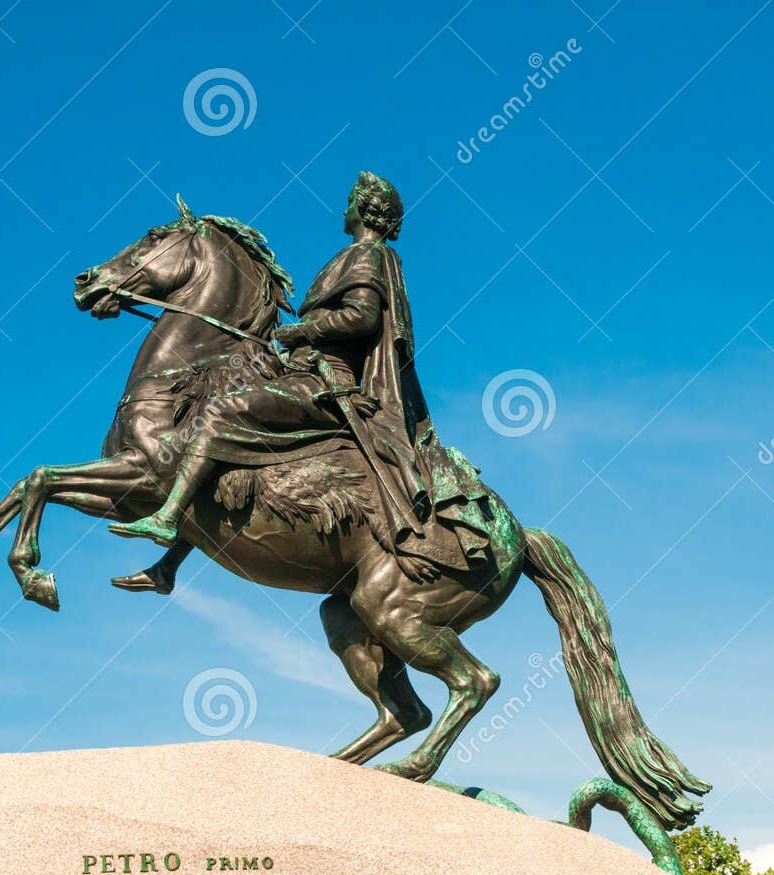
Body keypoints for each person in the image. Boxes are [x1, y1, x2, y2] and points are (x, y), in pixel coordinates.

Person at [111, 172, 490, 588]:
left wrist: (299, 332)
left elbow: (361, 318)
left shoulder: (369, 255)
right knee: (228, 431)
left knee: (221, 410)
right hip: (308, 369)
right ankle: (169, 565)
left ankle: (168, 518)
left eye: (349, 201)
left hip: (327, 381)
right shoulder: (360, 256)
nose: (343, 209)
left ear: (364, 209)